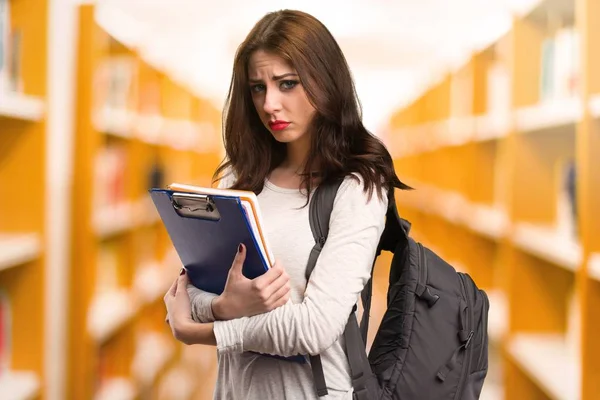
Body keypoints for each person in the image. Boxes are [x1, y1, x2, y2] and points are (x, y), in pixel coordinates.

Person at [163, 9, 410, 399]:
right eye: (258, 88)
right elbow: (185, 292)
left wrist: (207, 330)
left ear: (324, 81)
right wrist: (226, 305)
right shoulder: (239, 180)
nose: (270, 104)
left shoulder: (358, 186)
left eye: (287, 83)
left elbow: (314, 328)